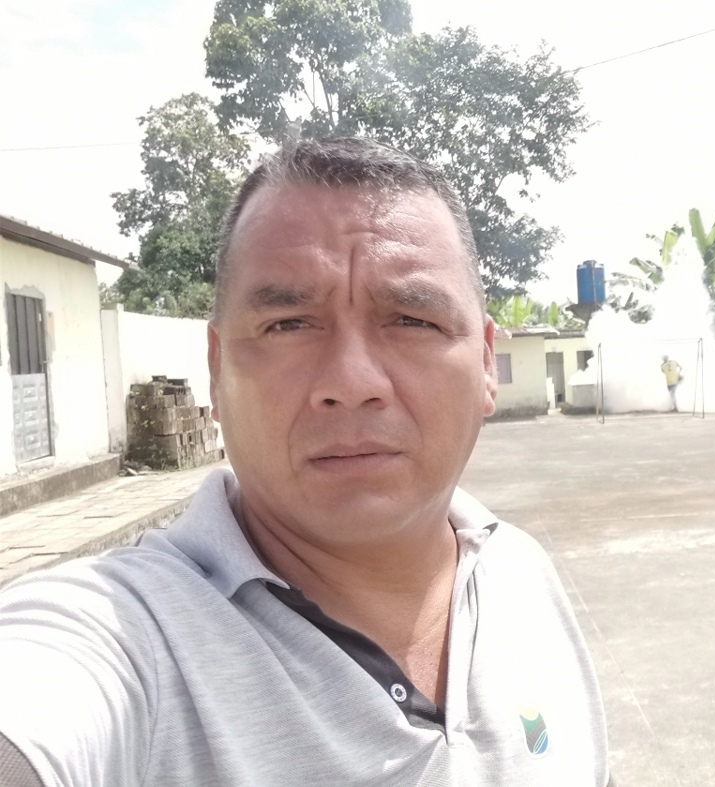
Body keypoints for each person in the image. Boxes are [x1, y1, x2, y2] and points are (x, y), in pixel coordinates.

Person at [0, 138, 610, 786]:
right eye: (288, 324)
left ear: (486, 362)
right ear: (216, 369)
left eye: (411, 320)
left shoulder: (519, 573)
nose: (352, 381)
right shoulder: (123, 640)